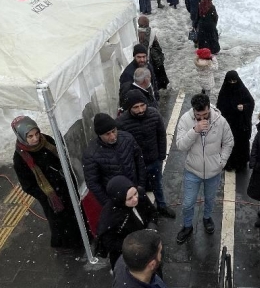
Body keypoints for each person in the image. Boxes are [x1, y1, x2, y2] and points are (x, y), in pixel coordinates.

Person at [11, 116, 80, 251]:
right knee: (59, 221)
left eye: (36, 134)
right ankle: (67, 245)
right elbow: (27, 185)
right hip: (50, 195)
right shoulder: (20, 158)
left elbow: (60, 156)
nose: (35, 138)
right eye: (30, 136)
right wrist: (46, 195)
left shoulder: (46, 140)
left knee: (74, 213)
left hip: (64, 185)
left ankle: (80, 238)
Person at [174, 93, 234, 243]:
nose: (202, 118)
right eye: (198, 115)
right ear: (193, 111)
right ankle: (187, 226)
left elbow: (229, 142)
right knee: (188, 203)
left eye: (205, 114)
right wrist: (194, 130)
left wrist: (222, 161)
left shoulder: (220, 121)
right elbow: (180, 145)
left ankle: (207, 218)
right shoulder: (185, 120)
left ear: (209, 108)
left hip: (214, 171)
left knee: (210, 199)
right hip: (192, 171)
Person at [116, 90, 176, 218]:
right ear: (129, 108)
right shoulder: (121, 123)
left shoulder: (154, 114)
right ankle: (145, 214)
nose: (140, 110)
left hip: (154, 160)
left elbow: (161, 136)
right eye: (136, 107)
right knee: (137, 190)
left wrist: (161, 156)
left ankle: (162, 206)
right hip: (135, 166)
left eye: (142, 105)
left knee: (157, 185)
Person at [83, 113, 147, 206]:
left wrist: (141, 186)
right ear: (99, 135)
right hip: (117, 200)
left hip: (134, 191)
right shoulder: (91, 154)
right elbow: (93, 183)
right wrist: (108, 203)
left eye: (114, 131)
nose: (113, 136)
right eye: (107, 134)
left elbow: (139, 161)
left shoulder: (127, 138)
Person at [97, 176, 158, 268]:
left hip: (146, 245)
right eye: (129, 198)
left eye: (135, 193)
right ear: (119, 199)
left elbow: (152, 212)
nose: (135, 199)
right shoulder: (110, 216)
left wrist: (151, 226)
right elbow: (109, 243)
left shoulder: (140, 193)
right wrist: (133, 245)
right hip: (127, 257)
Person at [216, 70, 254, 172]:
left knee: (241, 144)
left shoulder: (242, 90)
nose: (232, 83)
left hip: (241, 125)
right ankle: (229, 163)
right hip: (229, 124)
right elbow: (219, 107)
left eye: (234, 81)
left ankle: (240, 164)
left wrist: (244, 107)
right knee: (228, 144)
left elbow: (251, 103)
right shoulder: (224, 92)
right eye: (230, 81)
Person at [137, 16, 170, 92]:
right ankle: (161, 85)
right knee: (158, 72)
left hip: (143, 57)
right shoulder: (151, 32)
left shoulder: (136, 33)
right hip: (153, 56)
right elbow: (156, 44)